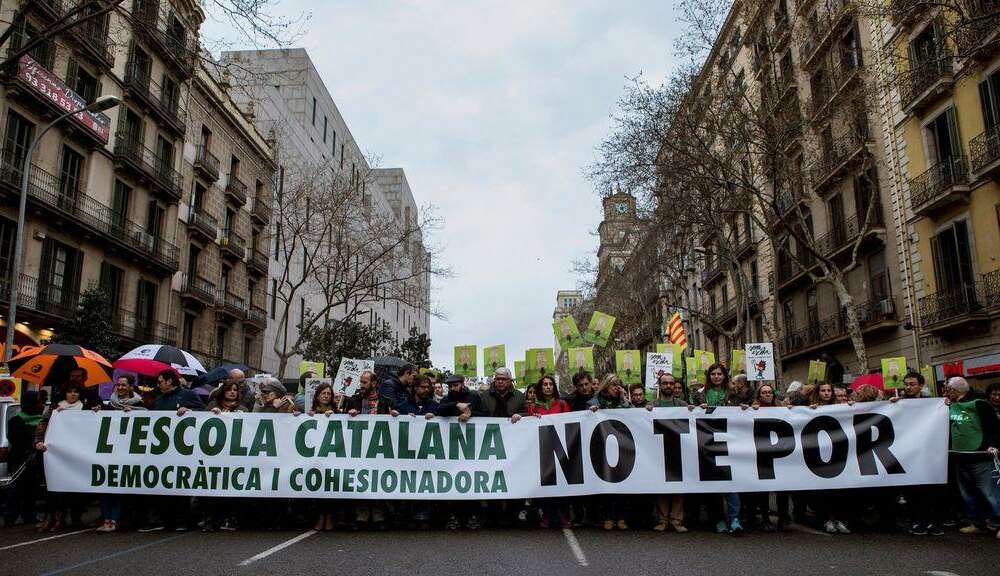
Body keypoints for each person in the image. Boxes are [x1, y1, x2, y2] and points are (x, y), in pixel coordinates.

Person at [944, 376, 1000, 538]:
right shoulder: (951, 405)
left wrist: (993, 444)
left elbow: (994, 427)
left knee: (990, 493)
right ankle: (977, 523)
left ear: (955, 391)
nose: (947, 393)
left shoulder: (980, 404)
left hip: (979, 456)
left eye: (948, 390)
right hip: (960, 457)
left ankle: (997, 523)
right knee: (967, 494)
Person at [691, 364, 742, 535]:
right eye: (713, 374)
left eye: (719, 374)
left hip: (730, 442)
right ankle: (718, 519)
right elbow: (691, 412)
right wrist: (694, 408)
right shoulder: (699, 395)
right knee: (715, 483)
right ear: (709, 376)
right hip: (708, 442)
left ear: (724, 376)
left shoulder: (734, 394)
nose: (716, 377)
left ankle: (734, 519)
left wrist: (747, 409)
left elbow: (742, 412)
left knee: (731, 482)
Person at [345, 370, 398, 529]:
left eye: (364, 382)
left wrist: (395, 416)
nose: (361, 385)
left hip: (379, 447)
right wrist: (349, 414)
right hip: (359, 447)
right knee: (360, 479)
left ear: (374, 383)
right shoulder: (353, 400)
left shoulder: (387, 402)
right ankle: (362, 515)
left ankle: (378, 515)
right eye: (361, 382)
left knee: (376, 479)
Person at [93, 375, 144, 533]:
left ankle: (117, 519)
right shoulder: (109, 405)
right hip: (110, 452)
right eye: (118, 385)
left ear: (130, 387)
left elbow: (147, 415)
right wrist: (97, 412)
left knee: (121, 489)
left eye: (124, 385)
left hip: (129, 453)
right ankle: (107, 518)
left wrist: (133, 412)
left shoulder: (139, 404)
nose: (120, 388)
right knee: (106, 486)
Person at [34, 383, 86, 531]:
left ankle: (63, 518)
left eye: (76, 392)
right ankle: (50, 516)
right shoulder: (54, 409)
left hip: (74, 453)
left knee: (69, 488)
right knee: (51, 486)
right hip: (56, 453)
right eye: (70, 391)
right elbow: (42, 425)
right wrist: (39, 442)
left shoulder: (84, 409)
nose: (73, 394)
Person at [528, 375, 571, 528]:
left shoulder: (562, 404)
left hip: (559, 449)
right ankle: (547, 515)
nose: (548, 387)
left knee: (561, 484)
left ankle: (563, 515)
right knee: (546, 484)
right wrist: (532, 418)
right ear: (541, 387)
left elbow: (570, 424)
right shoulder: (533, 407)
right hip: (542, 449)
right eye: (545, 384)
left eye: (550, 384)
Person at [589, 374, 630, 530]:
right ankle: (607, 517)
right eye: (614, 385)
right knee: (605, 483)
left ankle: (620, 517)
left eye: (619, 385)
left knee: (621, 483)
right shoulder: (595, 401)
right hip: (601, 447)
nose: (617, 388)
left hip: (621, 446)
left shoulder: (622, 401)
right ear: (606, 386)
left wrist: (623, 399)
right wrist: (592, 411)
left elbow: (632, 414)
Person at [649, 373, 688, 533]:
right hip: (659, 451)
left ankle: (677, 520)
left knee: (679, 486)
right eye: (665, 383)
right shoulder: (652, 405)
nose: (669, 386)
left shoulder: (682, 404)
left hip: (679, 450)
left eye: (671, 383)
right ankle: (662, 520)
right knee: (662, 487)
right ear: (660, 385)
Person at [4, 390, 44, 528]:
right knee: (16, 489)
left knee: (32, 488)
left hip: (34, 459)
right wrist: (32, 441)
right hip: (20, 459)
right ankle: (11, 516)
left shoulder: (41, 420)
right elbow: (15, 439)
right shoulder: (16, 420)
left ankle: (29, 515)